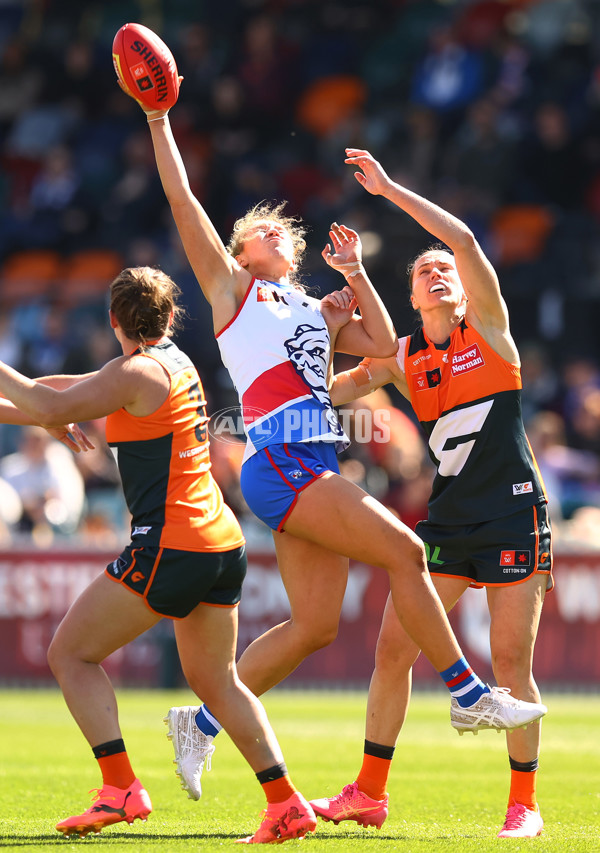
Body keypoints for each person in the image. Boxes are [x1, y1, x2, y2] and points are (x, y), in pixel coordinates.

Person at [119, 76, 547, 806]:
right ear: (241, 253)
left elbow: (384, 343)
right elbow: (184, 204)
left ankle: (197, 721)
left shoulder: (315, 308)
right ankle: (469, 691)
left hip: (310, 462)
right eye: (261, 229)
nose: (278, 229)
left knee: (314, 626)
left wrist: (356, 275)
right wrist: (160, 119)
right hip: (282, 462)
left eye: (284, 228)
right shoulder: (233, 292)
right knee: (408, 552)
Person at [0, 265, 317, 844]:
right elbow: (53, 396)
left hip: (170, 544)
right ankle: (286, 802)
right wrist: (45, 411)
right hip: (220, 541)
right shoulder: (172, 363)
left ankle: (120, 788)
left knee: (70, 654)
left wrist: (48, 413)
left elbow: (51, 402)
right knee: (219, 683)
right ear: (170, 317)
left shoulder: (132, 373)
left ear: (115, 321)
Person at [309, 149, 552, 839]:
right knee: (393, 649)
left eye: (442, 268)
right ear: (411, 300)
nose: (438, 271)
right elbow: (324, 392)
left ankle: (523, 805)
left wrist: (387, 191)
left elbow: (466, 240)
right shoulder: (402, 357)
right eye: (422, 272)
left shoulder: (491, 333)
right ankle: (368, 792)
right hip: (448, 518)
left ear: (463, 287)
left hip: (511, 508)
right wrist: (322, 330)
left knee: (510, 662)